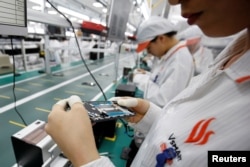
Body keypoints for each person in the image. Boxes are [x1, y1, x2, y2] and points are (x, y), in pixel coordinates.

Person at [45, 0, 250, 167]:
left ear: (160, 39)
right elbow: (190, 143)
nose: (173, 1)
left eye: (148, 46)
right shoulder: (234, 57)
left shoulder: (182, 60)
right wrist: (153, 116)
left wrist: (86, 160)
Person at [132, 16, 194, 108]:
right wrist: (148, 74)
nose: (148, 52)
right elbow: (161, 80)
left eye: (148, 48)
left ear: (161, 39)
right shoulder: (171, 55)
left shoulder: (180, 60)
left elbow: (163, 100)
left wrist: (139, 78)